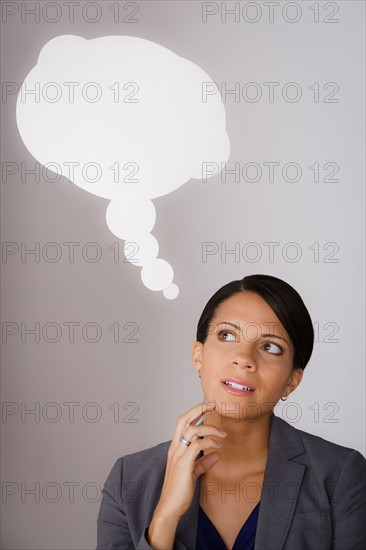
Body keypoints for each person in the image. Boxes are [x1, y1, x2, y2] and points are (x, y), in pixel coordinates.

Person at [96, 274, 366, 550]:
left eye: (270, 347)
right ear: (198, 356)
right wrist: (165, 516)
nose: (244, 358)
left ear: (292, 381)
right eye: (227, 335)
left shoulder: (340, 474)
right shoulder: (128, 479)